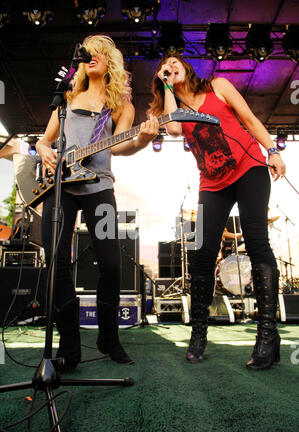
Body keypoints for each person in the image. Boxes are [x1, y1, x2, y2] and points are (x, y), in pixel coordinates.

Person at [149, 54, 286, 371]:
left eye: (176, 61)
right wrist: (168, 84)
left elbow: (250, 119)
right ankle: (198, 333)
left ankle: (267, 335)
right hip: (212, 182)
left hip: (250, 167)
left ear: (187, 66)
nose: (171, 64)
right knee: (202, 252)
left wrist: (273, 151)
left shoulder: (218, 87)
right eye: (165, 65)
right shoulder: (173, 110)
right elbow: (172, 130)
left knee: (256, 242)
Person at [36, 35, 159, 371]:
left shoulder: (119, 102)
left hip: (99, 188)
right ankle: (69, 347)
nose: (91, 57)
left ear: (110, 61)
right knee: (56, 265)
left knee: (111, 264)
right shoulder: (68, 96)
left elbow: (120, 146)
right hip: (60, 188)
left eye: (99, 53)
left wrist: (143, 140)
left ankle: (109, 338)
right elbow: (45, 141)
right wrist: (44, 150)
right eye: (87, 53)